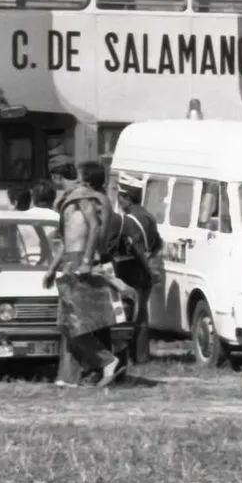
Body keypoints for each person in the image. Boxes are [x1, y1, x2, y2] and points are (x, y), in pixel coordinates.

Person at [44, 161, 123, 388]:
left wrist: (87, 260)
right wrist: (52, 269)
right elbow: (66, 239)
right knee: (69, 323)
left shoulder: (81, 197)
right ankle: (70, 376)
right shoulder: (79, 198)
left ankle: (106, 361)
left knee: (71, 322)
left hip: (80, 261)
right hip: (73, 260)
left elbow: (94, 226)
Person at [110, 175, 163, 367]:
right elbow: (158, 244)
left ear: (126, 198)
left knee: (129, 314)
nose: (118, 200)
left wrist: (147, 268)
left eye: (120, 196)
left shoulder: (129, 220)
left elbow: (137, 248)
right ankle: (141, 356)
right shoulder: (149, 216)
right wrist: (151, 263)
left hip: (132, 270)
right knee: (141, 313)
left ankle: (132, 356)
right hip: (144, 271)